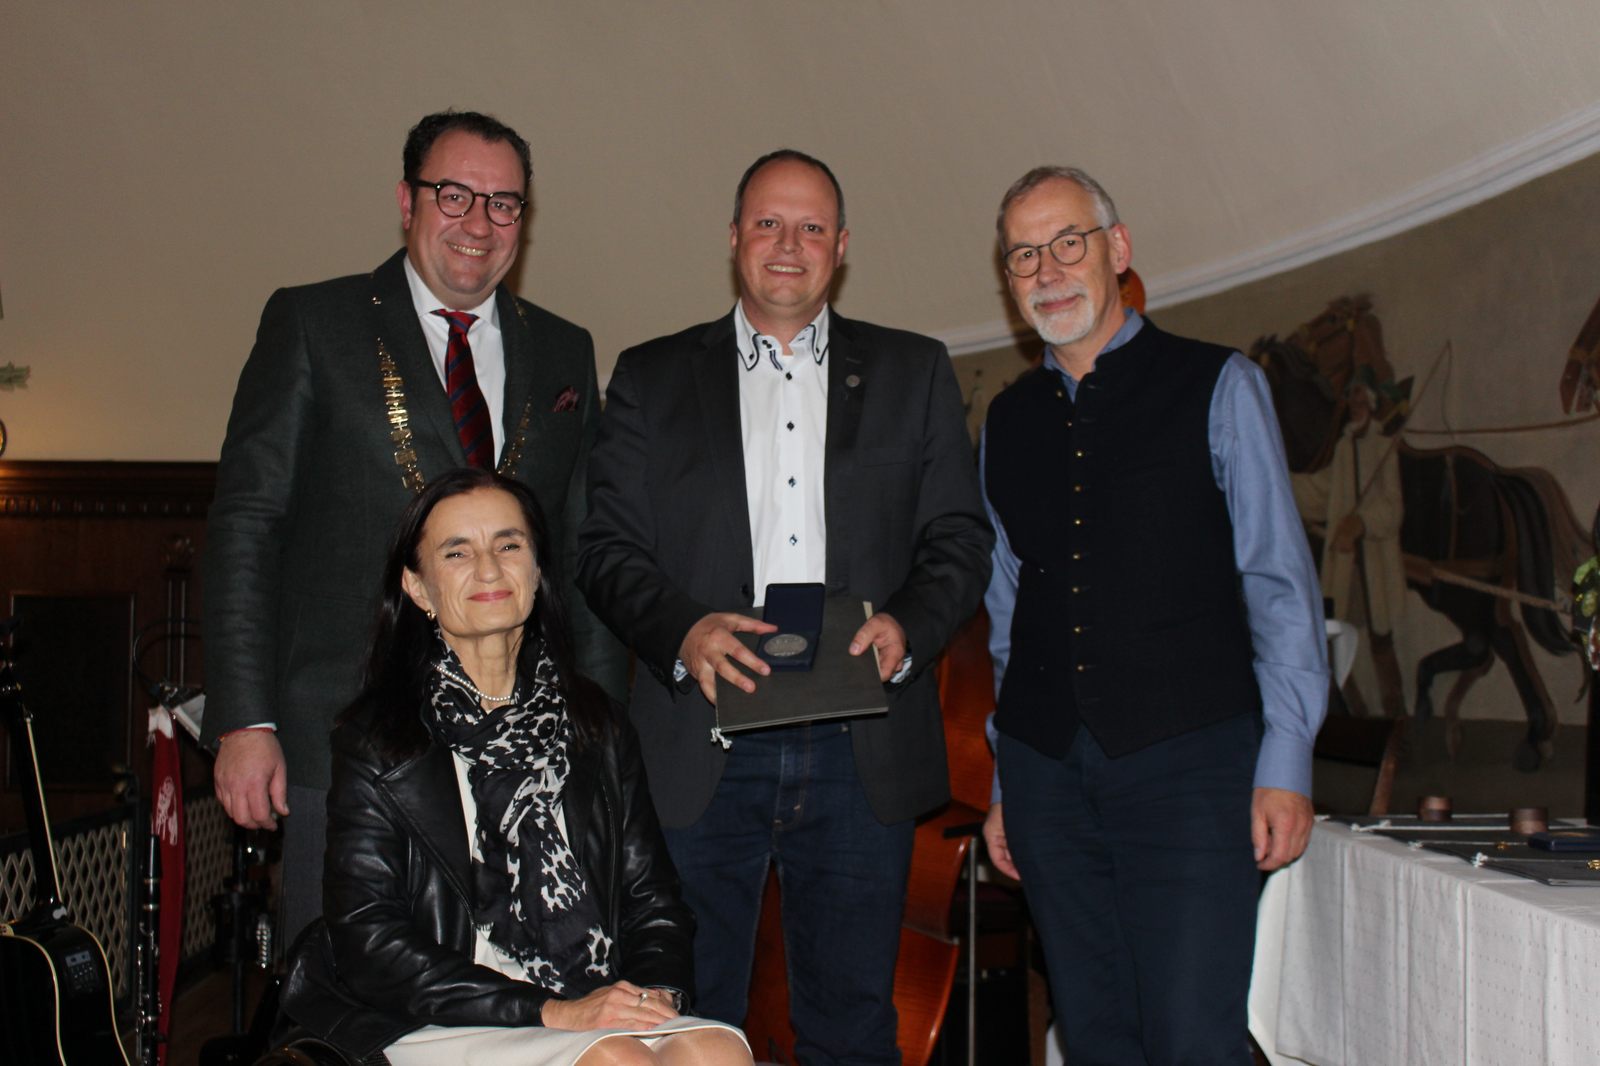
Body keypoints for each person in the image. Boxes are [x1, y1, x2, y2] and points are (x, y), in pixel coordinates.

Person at [577, 150, 993, 1065]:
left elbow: (960, 539)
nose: (788, 244)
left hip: (859, 746)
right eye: (768, 223)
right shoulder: (650, 376)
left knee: (854, 1026)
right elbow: (604, 549)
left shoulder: (915, 370)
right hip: (700, 743)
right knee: (685, 1027)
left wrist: (911, 626)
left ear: (841, 248)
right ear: (734, 238)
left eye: (812, 227)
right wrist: (683, 631)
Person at [201, 110, 626, 951]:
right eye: (454, 195)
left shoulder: (563, 351)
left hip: (521, 748)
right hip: (342, 739)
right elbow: (248, 524)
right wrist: (246, 721)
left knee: (506, 985)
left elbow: (581, 554)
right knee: (342, 985)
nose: (479, 223)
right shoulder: (314, 324)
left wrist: (603, 732)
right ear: (407, 201)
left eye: (504, 203)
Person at [978, 167, 1328, 1066]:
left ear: (1118, 249)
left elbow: (1279, 582)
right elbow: (1009, 613)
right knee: (1096, 1041)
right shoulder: (1005, 422)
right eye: (1024, 255)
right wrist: (1007, 782)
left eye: (1068, 243)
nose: (1049, 270)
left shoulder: (1219, 384)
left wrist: (1286, 758)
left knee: (1191, 1040)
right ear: (1009, 281)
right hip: (1047, 778)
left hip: (1191, 769)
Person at [278, 467, 752, 1066]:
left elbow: (653, 902)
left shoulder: (595, 721)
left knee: (714, 1049)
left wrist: (653, 996)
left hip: (590, 999)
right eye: (457, 552)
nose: (488, 569)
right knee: (615, 1060)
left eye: (508, 545)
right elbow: (368, 941)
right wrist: (553, 1011)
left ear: (536, 571)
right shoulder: (377, 738)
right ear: (418, 588)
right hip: (439, 1013)